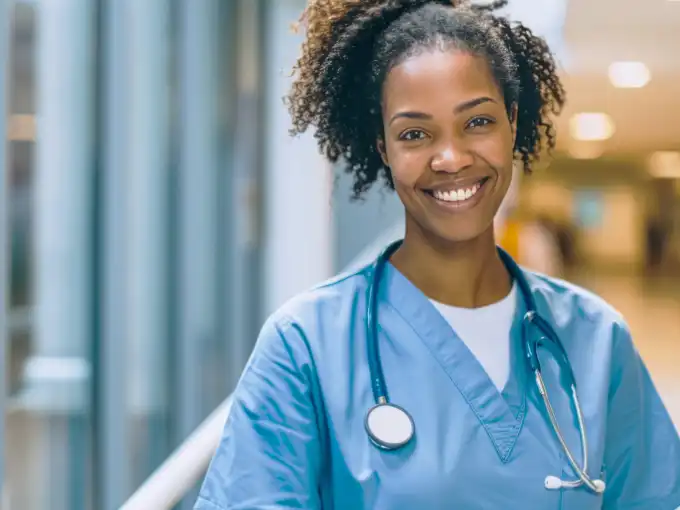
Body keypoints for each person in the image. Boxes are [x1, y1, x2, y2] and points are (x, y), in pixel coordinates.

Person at [195, 1, 680, 508]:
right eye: (414, 134)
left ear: (512, 123)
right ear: (383, 148)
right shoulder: (306, 346)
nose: (451, 158)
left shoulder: (597, 340)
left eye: (477, 122)